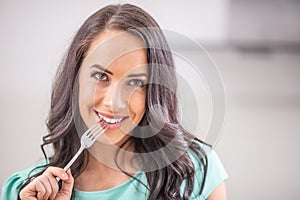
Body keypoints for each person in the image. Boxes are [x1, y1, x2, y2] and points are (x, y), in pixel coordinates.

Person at [1, 4, 228, 200]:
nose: (113, 102)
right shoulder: (23, 192)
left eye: (135, 82)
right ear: (75, 79)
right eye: (101, 76)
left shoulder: (195, 172)